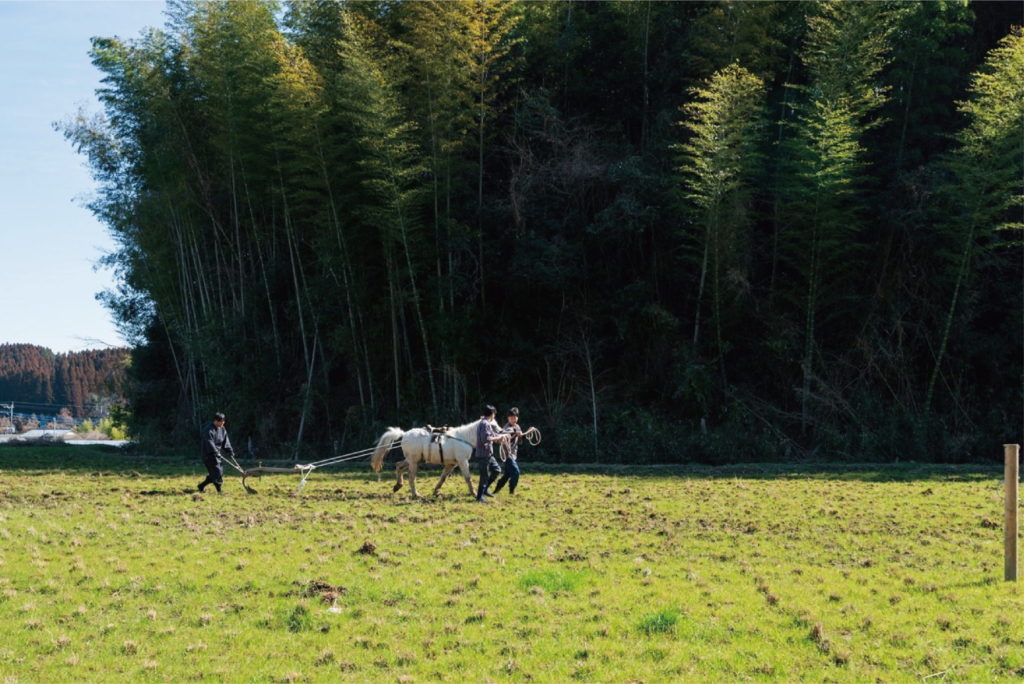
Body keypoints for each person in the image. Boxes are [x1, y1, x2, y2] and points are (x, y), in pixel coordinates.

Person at [474, 404, 506, 503]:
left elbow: (491, 435)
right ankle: (479, 498)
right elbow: (485, 439)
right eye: (494, 414)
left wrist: (503, 435)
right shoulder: (485, 424)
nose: (494, 416)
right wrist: (498, 438)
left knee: (497, 470)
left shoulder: (485, 423)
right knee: (484, 476)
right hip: (484, 455)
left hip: (488, 454)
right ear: (492, 414)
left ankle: (485, 489)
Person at [198, 412, 235, 493]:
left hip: (216, 454)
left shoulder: (222, 429)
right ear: (215, 421)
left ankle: (201, 486)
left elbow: (226, 440)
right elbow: (209, 442)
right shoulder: (208, 430)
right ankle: (219, 491)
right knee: (217, 472)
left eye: (223, 421)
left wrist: (230, 451)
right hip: (208, 455)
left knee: (217, 473)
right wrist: (215, 451)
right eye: (221, 421)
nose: (223, 423)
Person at [492, 407, 523, 495]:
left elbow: (520, 443)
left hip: (514, 455)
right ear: (508, 418)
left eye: (515, 417)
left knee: (507, 475)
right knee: (516, 472)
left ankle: (496, 490)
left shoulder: (517, 427)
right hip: (507, 455)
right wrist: (514, 435)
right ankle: (512, 490)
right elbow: (506, 437)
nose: (513, 419)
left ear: (517, 417)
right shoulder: (506, 428)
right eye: (511, 417)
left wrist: (520, 435)